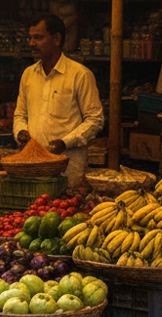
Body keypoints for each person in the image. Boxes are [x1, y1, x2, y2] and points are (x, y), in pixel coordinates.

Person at [13, 14, 104, 187]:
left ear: (56, 39)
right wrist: (21, 132)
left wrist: (65, 142)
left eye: (38, 38)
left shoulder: (80, 75)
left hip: (68, 170)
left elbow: (95, 120)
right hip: (33, 166)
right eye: (30, 38)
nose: (32, 43)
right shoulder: (28, 75)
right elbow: (20, 114)